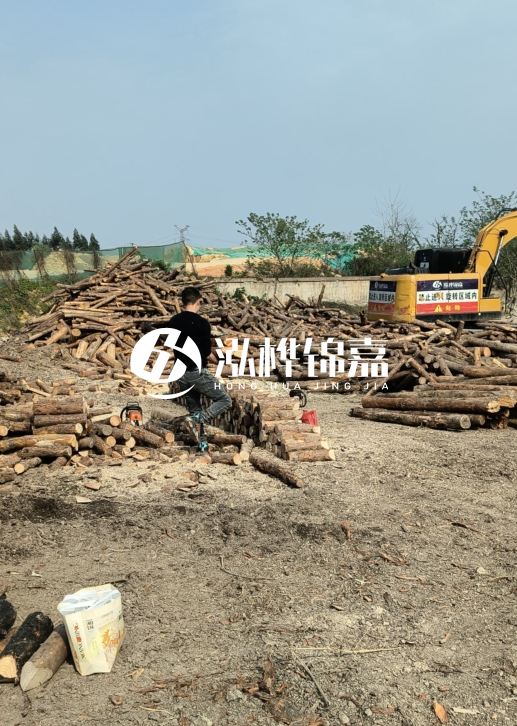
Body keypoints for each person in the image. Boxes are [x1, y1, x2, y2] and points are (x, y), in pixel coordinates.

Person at [167, 286, 231, 438]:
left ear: (183, 303)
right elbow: (207, 353)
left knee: (194, 409)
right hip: (195, 372)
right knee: (225, 400)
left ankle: (201, 444)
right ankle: (198, 420)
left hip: (180, 374)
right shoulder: (202, 323)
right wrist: (220, 362)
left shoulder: (173, 321)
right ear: (199, 302)